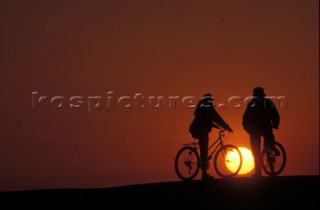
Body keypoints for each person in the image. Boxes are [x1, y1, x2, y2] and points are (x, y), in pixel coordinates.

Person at [189, 93, 233, 182]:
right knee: (204, 151)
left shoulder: (202, 108)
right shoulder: (208, 109)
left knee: (204, 150)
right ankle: (204, 174)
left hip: (198, 129)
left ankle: (204, 170)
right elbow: (217, 118)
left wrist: (216, 126)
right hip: (200, 130)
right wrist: (227, 127)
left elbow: (208, 120)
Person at [242, 87, 280, 178]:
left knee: (256, 151)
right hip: (263, 128)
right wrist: (275, 124)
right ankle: (272, 147)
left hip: (255, 130)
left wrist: (247, 128)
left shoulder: (252, 104)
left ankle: (258, 173)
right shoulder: (268, 102)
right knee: (265, 143)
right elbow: (275, 115)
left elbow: (245, 118)